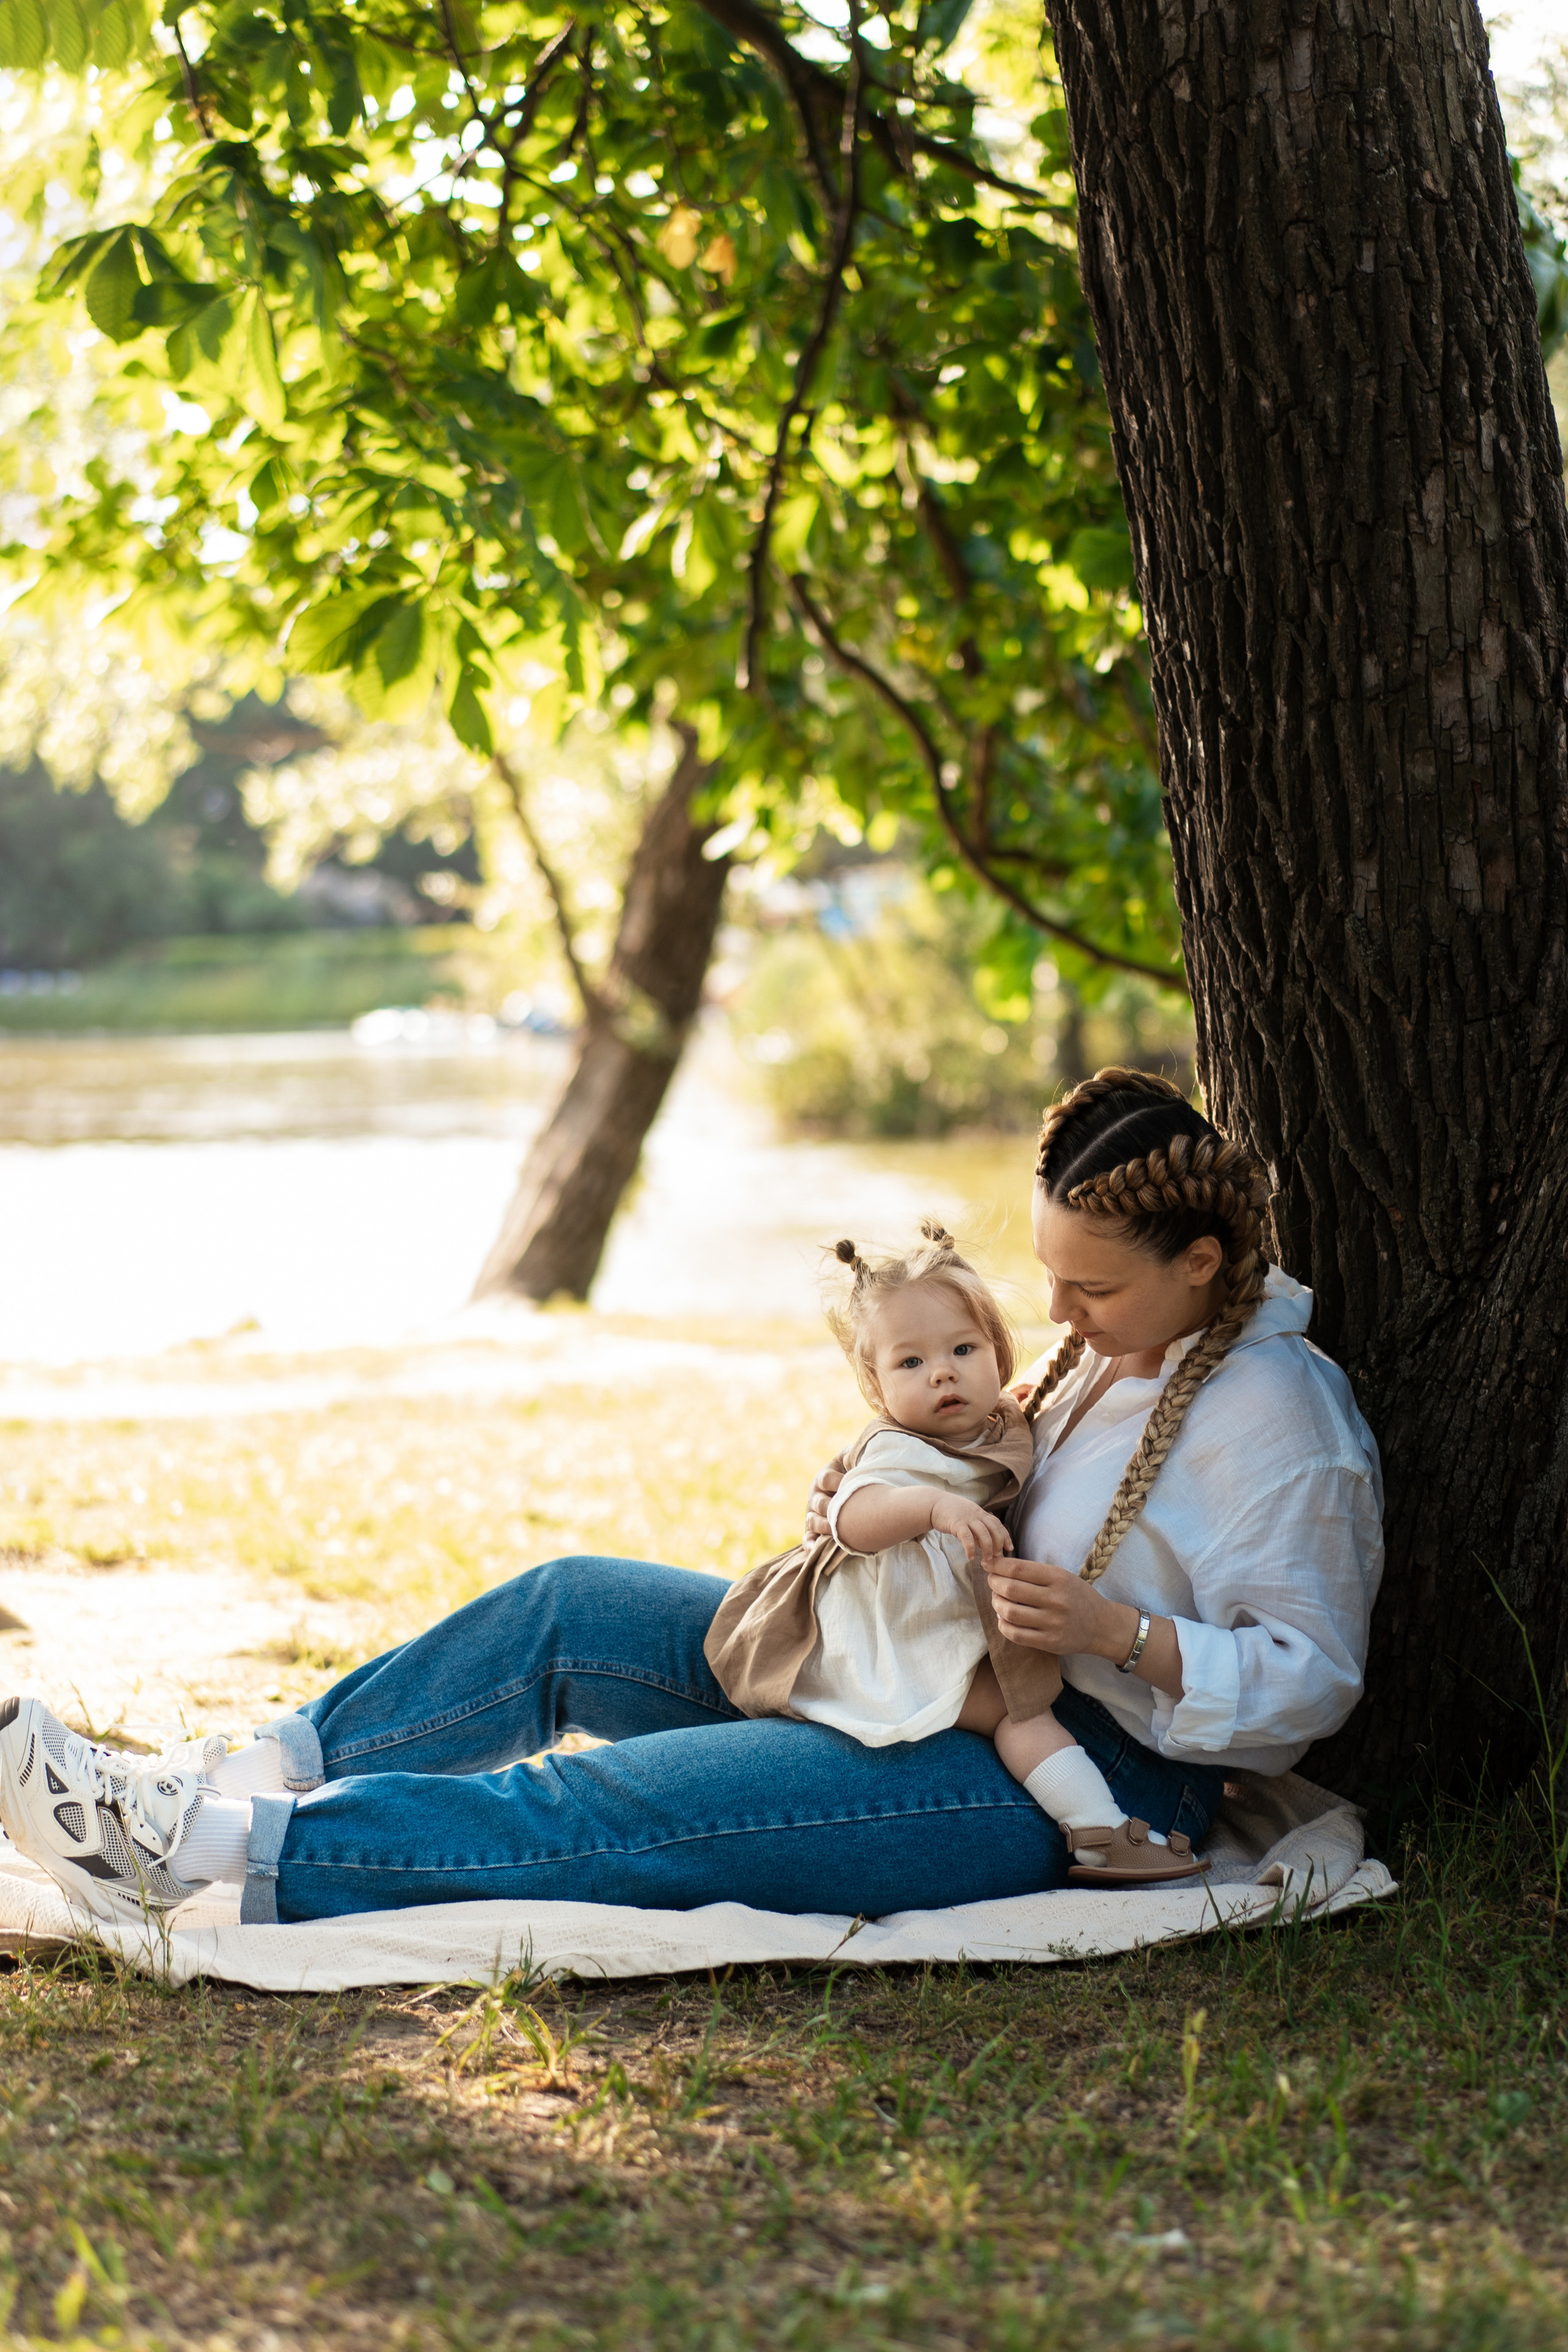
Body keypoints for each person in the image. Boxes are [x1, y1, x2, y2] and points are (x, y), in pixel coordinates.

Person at [0, 1068, 1384, 1929]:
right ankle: (236, 1770)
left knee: (606, 1805)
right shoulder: (1110, 1351)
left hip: (1055, 1761)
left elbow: (1306, 1681)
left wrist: (1111, 1629)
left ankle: (197, 1853)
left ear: (1202, 1260)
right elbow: (991, 1462)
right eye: (1048, 1275)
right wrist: (877, 1478)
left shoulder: (1273, 1420)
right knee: (567, 1607)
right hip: (896, 1656)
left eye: (1089, 1285)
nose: (1055, 1310)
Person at [703, 1221, 1207, 1882]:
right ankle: (1098, 1832)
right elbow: (854, 1518)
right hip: (885, 1636)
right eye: (910, 1363)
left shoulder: (1000, 1420)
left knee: (1017, 1710)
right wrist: (933, 1508)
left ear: (998, 1353)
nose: (941, 1372)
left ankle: (1096, 1830)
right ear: (876, 1386)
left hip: (937, 1626)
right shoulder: (898, 1448)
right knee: (1016, 1711)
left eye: (962, 1350)